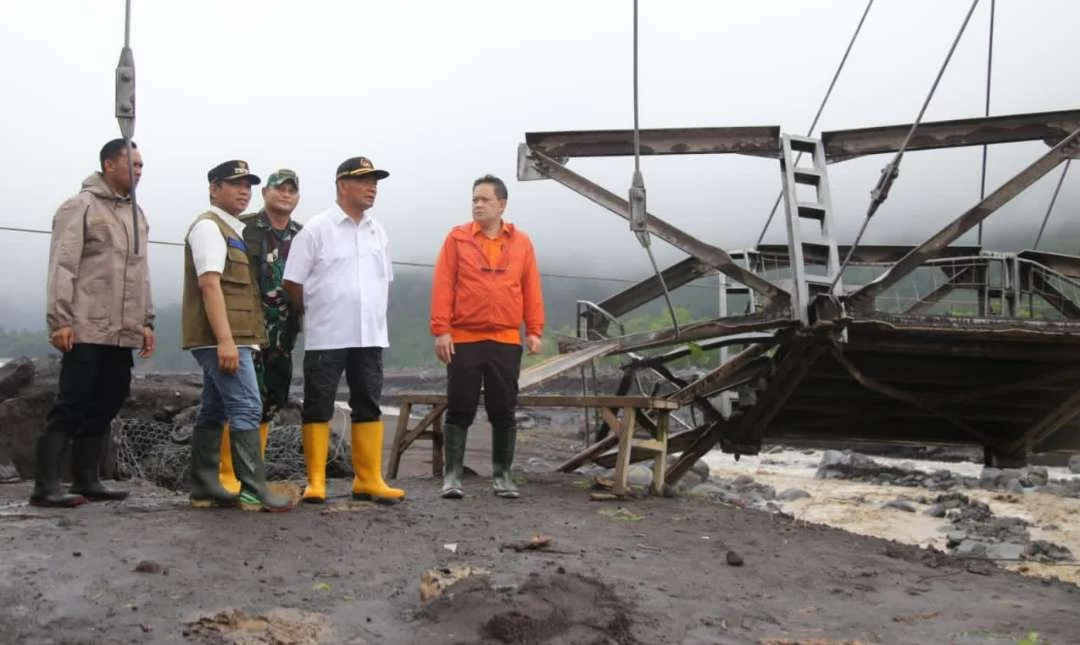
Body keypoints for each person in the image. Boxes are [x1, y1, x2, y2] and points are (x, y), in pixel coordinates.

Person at [34, 138, 156, 508]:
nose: (139, 171)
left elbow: (142, 273)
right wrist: (60, 320)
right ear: (109, 165)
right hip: (85, 324)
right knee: (73, 401)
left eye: (141, 165)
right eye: (132, 164)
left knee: (109, 399)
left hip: (122, 331)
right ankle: (46, 486)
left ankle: (87, 479)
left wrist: (146, 322)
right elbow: (63, 265)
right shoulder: (79, 206)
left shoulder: (136, 214)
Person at [283, 156, 405, 505]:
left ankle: (368, 479)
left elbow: (384, 280)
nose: (373, 187)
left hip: (369, 335)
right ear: (342, 185)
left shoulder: (377, 230)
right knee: (318, 403)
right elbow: (292, 282)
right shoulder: (317, 229)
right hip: (328, 334)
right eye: (365, 180)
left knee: (368, 402)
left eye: (376, 181)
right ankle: (316, 481)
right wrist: (313, 311)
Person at [180, 160, 293, 512]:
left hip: (235, 336)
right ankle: (253, 488)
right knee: (247, 405)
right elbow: (210, 285)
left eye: (247, 184)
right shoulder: (210, 228)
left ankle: (204, 487)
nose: (243, 190)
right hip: (222, 338)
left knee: (214, 408)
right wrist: (226, 341)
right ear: (214, 188)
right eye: (234, 184)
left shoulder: (232, 230)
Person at [430, 174, 544, 499]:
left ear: (502, 204)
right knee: (460, 404)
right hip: (464, 337)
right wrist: (442, 330)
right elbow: (442, 285)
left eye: (485, 200)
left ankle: (503, 475)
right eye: (475, 199)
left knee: (503, 407)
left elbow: (531, 288)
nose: (478, 205)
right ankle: (452, 475)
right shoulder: (457, 239)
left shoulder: (522, 243)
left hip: (506, 339)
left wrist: (534, 330)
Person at [218, 169, 303, 494]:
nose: (286, 194)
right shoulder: (244, 228)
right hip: (247, 330)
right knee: (241, 402)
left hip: (283, 335)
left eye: (292, 190)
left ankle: (253, 476)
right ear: (265, 192)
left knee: (271, 402)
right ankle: (228, 475)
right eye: (279, 188)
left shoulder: (302, 234)